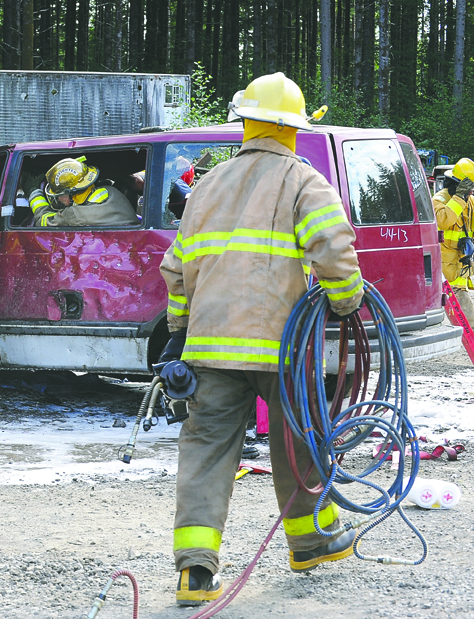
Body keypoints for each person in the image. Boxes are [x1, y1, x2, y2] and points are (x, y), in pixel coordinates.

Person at [158, 72, 364, 607]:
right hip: (283, 348)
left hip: (210, 349)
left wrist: (179, 334)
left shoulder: (207, 184)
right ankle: (310, 543)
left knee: (206, 451)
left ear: (244, 122)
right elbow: (334, 252)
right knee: (297, 443)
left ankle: (195, 575)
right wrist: (346, 301)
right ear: (295, 127)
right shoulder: (304, 181)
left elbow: (176, 270)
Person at [28, 156, 139, 227]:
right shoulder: (112, 191)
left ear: (73, 194)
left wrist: (33, 192)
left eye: (61, 195)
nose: (59, 199)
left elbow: (44, 221)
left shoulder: (73, 215)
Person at [432, 158, 474, 324]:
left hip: (460, 269)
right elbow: (443, 221)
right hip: (446, 273)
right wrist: (459, 198)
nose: (471, 192)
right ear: (458, 184)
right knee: (468, 320)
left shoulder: (469, 201)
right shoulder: (439, 200)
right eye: (469, 188)